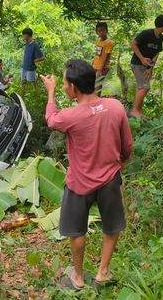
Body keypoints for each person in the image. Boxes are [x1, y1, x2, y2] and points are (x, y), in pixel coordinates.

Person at [40, 59, 133, 290]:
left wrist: (50, 93)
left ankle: (79, 277)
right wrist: (121, 163)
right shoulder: (116, 107)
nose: (62, 86)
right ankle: (103, 272)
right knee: (112, 226)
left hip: (79, 183)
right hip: (110, 179)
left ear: (73, 87)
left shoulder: (71, 116)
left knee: (77, 230)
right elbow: (127, 145)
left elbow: (51, 120)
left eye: (63, 83)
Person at [130, 15, 163, 120]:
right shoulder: (147, 33)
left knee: (141, 87)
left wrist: (150, 68)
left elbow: (157, 52)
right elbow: (133, 44)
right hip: (137, 64)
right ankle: (135, 111)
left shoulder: (160, 37)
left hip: (147, 66)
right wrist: (142, 58)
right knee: (144, 87)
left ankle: (138, 111)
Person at [92, 22, 114, 96]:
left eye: (103, 30)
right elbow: (97, 53)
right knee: (94, 83)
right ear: (97, 32)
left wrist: (101, 69)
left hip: (103, 67)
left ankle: (96, 99)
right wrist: (93, 63)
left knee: (98, 83)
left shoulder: (109, 43)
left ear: (106, 31)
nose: (101, 32)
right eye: (99, 31)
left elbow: (106, 57)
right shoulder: (98, 40)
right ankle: (95, 98)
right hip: (96, 65)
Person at [21, 27, 45, 92]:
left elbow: (42, 58)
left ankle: (37, 95)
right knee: (23, 83)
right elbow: (25, 54)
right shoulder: (27, 44)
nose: (23, 36)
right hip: (24, 67)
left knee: (32, 83)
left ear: (27, 35)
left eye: (23, 35)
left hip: (30, 69)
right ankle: (22, 96)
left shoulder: (35, 45)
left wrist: (33, 61)